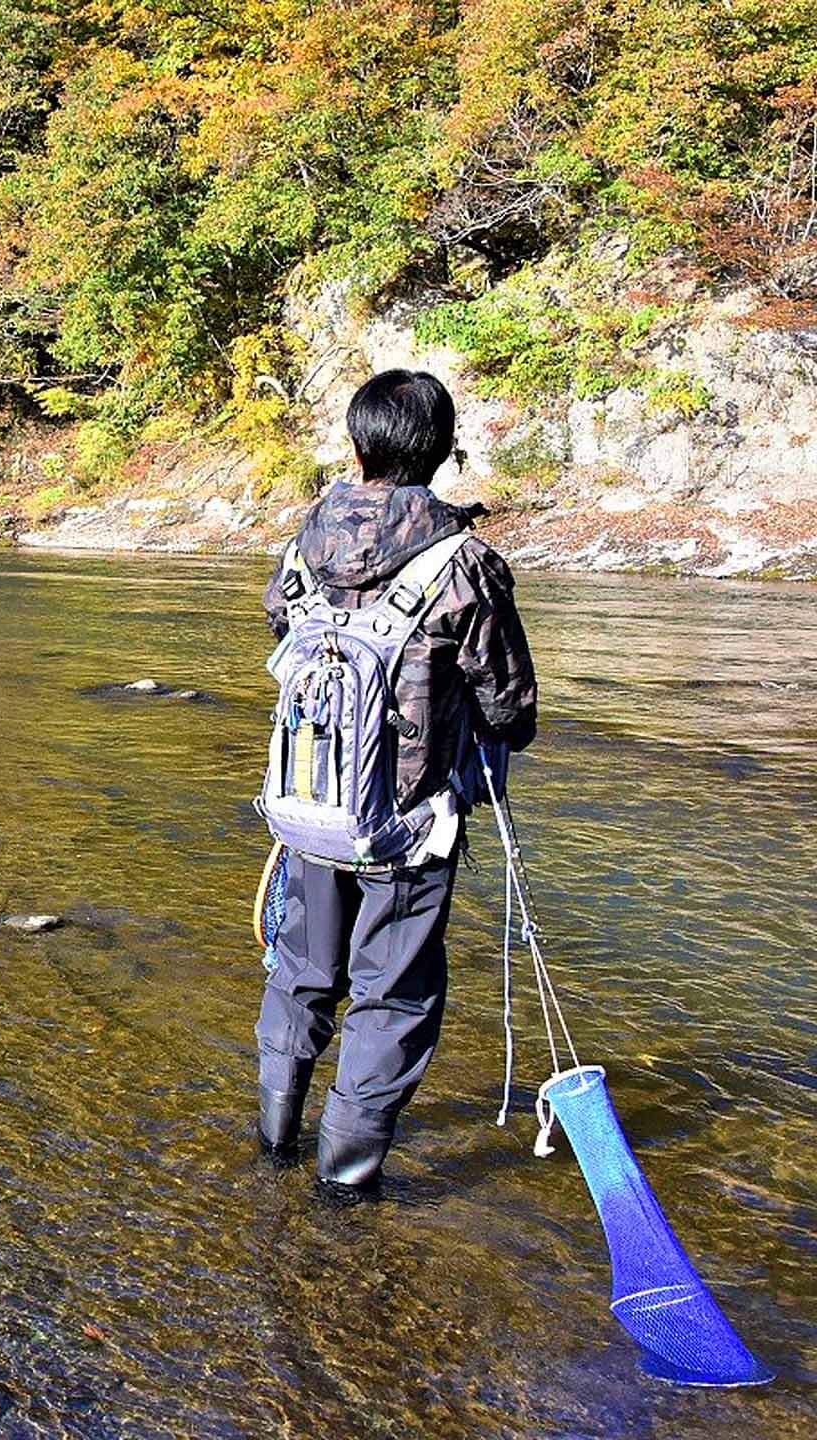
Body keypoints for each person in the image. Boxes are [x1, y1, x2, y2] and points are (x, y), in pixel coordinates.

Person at [253, 369, 538, 1197]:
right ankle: (344, 1186)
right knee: (393, 997)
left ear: (356, 446)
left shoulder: (305, 538)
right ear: (445, 452)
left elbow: (282, 625)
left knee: (301, 973)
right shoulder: (465, 563)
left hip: (309, 802)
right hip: (409, 823)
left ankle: (274, 1146)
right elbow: (510, 702)